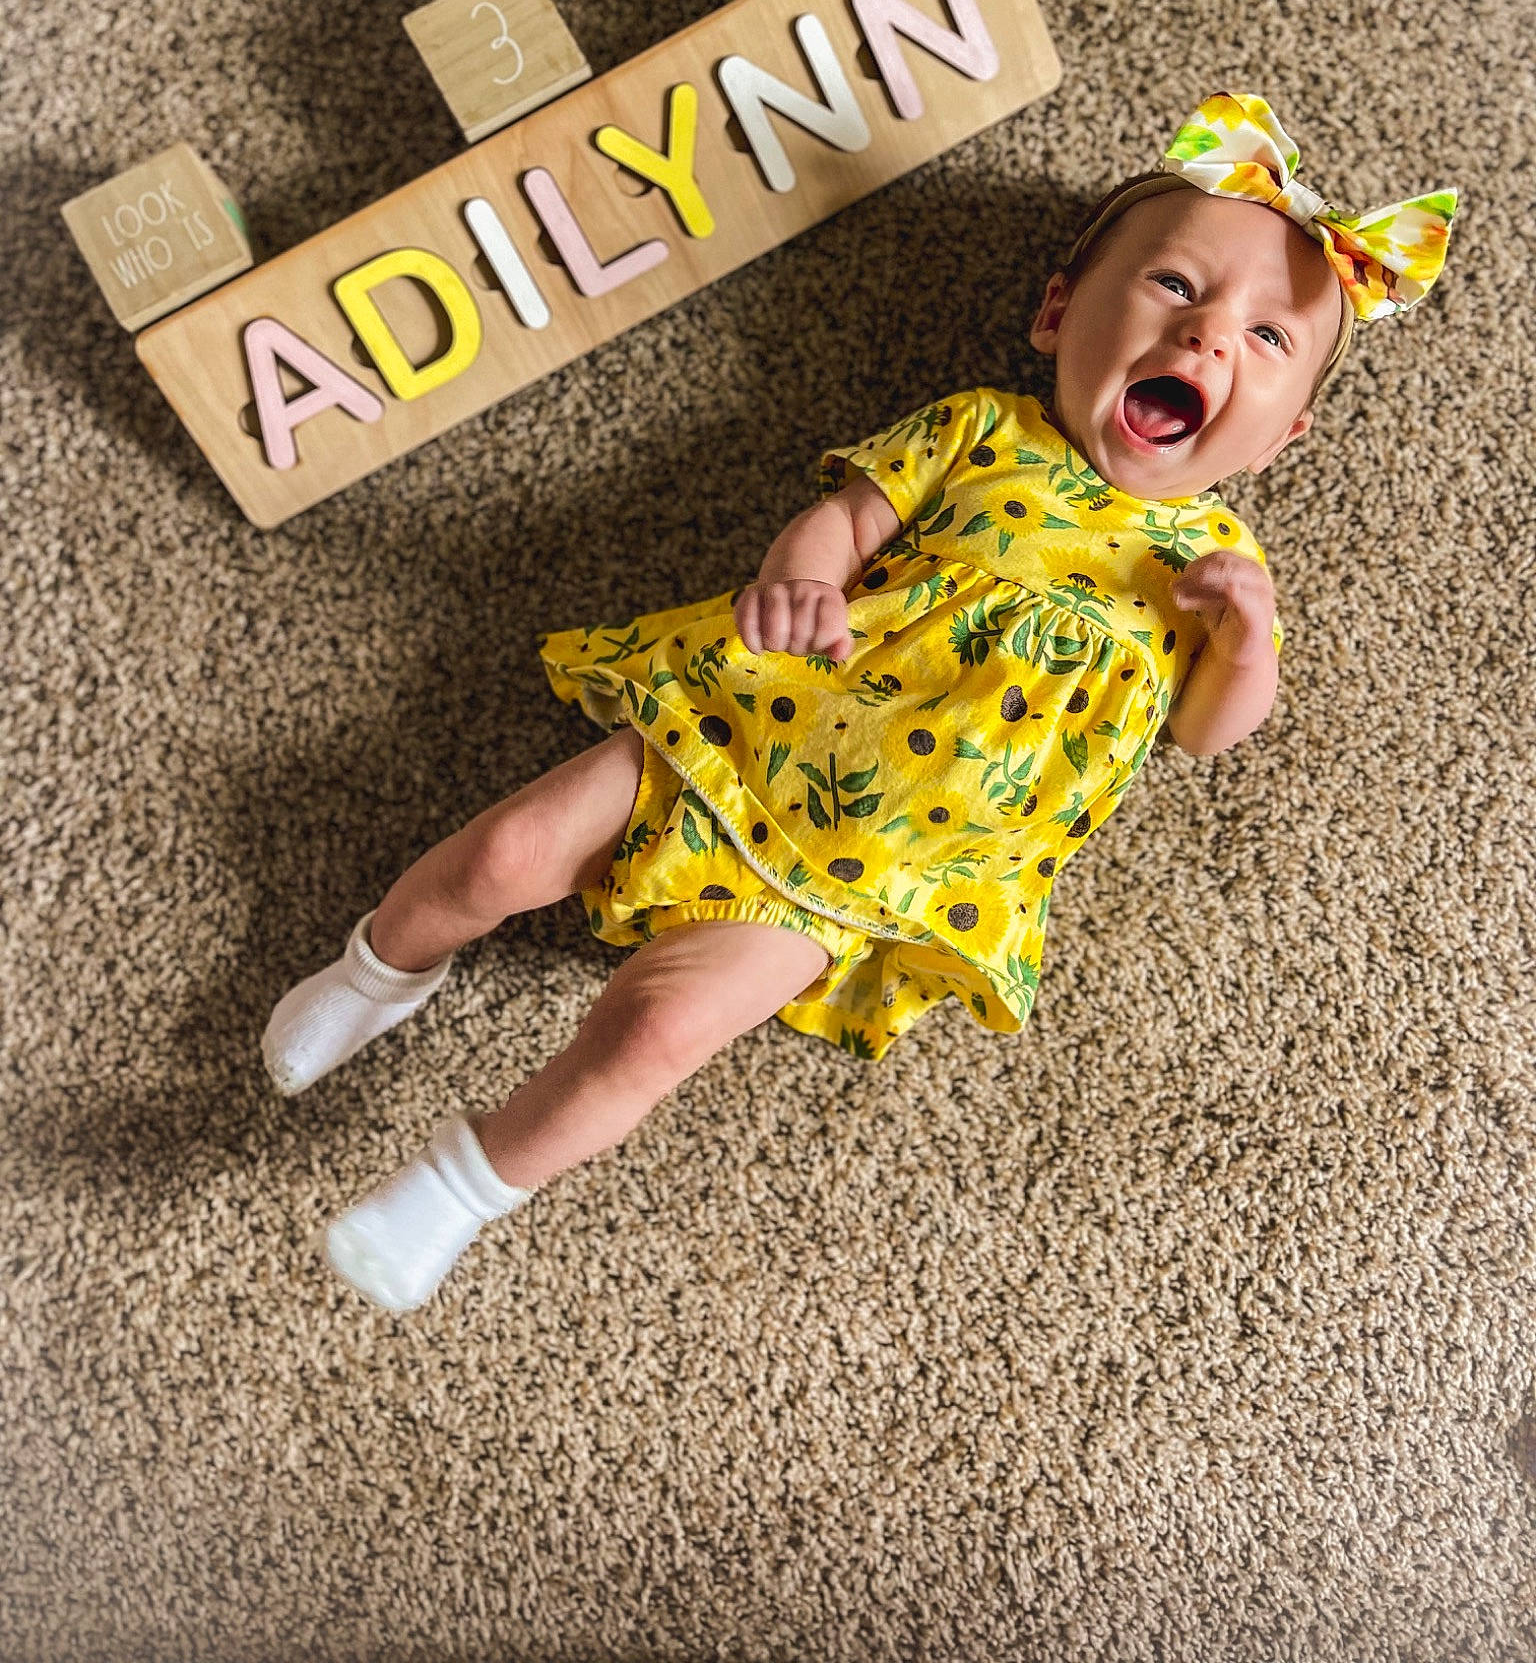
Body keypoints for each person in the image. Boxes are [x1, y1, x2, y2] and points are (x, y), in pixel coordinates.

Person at [261, 90, 1458, 1314]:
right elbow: (848, 513)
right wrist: (802, 577)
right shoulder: (985, 432)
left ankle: (454, 1192)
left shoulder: (1215, 563)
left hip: (884, 863)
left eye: (1266, 339)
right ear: (1057, 313)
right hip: (748, 722)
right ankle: (378, 970)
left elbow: (1207, 727)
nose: (1207, 340)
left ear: (1284, 434)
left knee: (655, 1034)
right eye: (1175, 286)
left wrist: (1247, 642)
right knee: (506, 851)